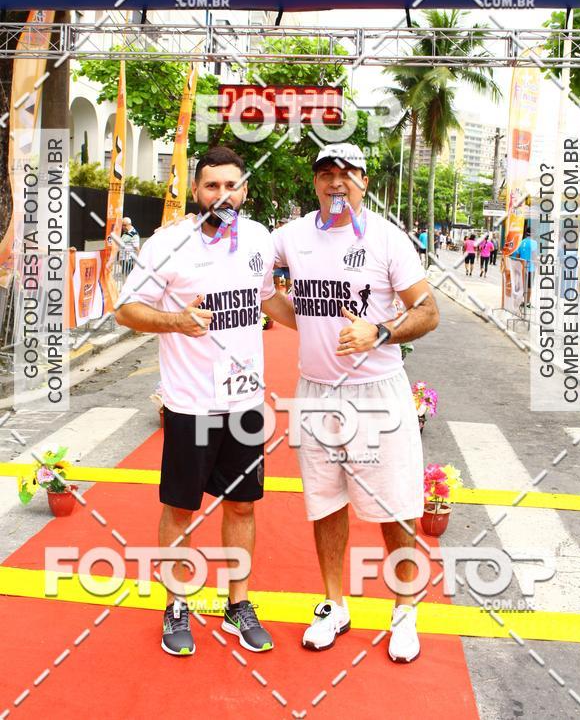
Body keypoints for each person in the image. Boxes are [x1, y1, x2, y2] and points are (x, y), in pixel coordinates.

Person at [115, 146, 297, 657]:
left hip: (244, 404)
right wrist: (176, 321)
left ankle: (238, 604)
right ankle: (176, 604)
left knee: (242, 505)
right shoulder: (168, 243)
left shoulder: (258, 239)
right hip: (191, 404)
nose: (222, 195)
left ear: (244, 191)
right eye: (212, 186)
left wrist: (317, 327)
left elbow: (267, 298)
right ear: (196, 191)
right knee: (180, 508)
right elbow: (125, 309)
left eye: (231, 186)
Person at [272, 142, 439, 664]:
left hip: (377, 394)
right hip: (316, 392)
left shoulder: (387, 239)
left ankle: (404, 611)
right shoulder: (292, 236)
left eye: (347, 173)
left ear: (364, 181)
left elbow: (428, 311)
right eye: (326, 173)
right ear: (315, 183)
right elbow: (248, 270)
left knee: (396, 507)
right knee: (325, 503)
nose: (336, 182)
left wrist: (379, 331)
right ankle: (334, 604)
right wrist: (301, 320)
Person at [510, 226, 538, 306]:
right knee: (529, 286)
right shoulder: (534, 243)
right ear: (533, 234)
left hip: (521, 268)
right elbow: (534, 255)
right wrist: (537, 265)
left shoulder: (521, 242)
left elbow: (518, 255)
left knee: (522, 285)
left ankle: (520, 301)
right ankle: (527, 302)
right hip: (530, 268)